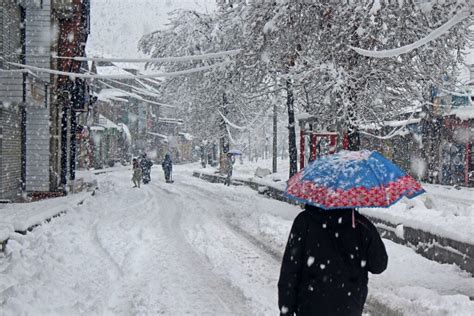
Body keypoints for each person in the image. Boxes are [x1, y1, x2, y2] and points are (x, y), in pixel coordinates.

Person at [278, 204, 388, 316]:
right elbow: (379, 265)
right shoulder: (361, 225)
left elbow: (290, 271)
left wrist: (286, 310)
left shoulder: (304, 220)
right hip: (348, 307)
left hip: (309, 306)